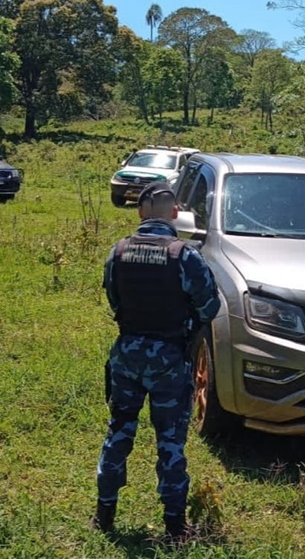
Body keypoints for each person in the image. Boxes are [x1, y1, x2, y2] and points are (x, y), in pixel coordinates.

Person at [92, 180, 221, 540]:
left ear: (139, 212)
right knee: (170, 441)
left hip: (127, 355)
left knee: (119, 430)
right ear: (175, 213)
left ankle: (104, 515)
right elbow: (210, 306)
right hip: (169, 358)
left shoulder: (117, 252)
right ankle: (175, 525)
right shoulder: (185, 256)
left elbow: (115, 301)